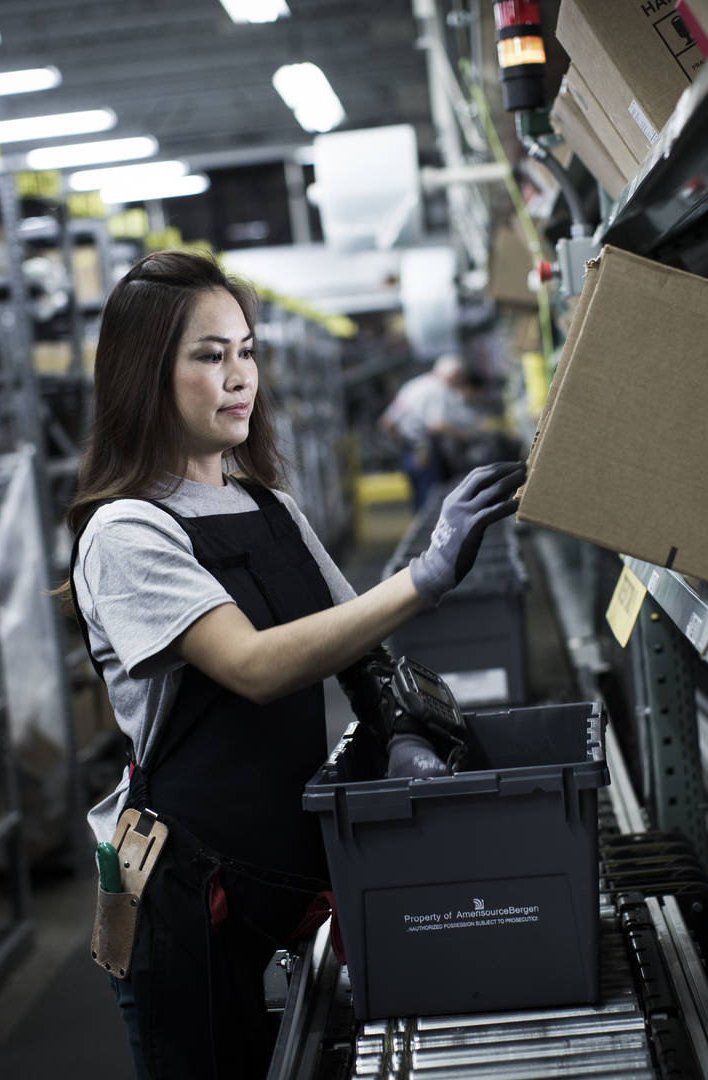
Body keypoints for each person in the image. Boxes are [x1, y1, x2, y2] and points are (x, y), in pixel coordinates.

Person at [63, 251, 524, 1080]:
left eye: (246, 351)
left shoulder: (268, 505)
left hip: (284, 869)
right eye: (209, 356)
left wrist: (404, 732)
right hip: (185, 893)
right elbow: (255, 666)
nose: (239, 378)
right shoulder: (127, 532)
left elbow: (359, 648)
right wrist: (422, 576)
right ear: (143, 374)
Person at [378, 353, 480, 510]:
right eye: (460, 378)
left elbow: (387, 422)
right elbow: (437, 425)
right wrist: (465, 436)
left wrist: (406, 444)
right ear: (454, 375)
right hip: (425, 451)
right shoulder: (438, 389)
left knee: (419, 502)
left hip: (410, 450)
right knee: (431, 502)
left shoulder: (415, 384)